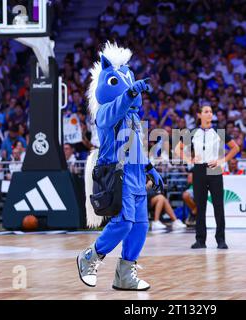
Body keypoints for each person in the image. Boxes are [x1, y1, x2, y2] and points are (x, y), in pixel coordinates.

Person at [77, 43, 163, 291]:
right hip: (117, 174)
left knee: (140, 225)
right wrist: (128, 95)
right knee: (123, 223)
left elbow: (136, 147)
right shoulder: (103, 112)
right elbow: (115, 108)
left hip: (135, 174)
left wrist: (149, 167)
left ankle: (125, 274)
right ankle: (90, 257)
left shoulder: (133, 118)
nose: (130, 88)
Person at [175, 105, 240, 249]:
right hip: (198, 170)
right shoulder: (192, 132)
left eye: (211, 111)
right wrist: (189, 160)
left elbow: (235, 148)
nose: (209, 114)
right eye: (206, 112)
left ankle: (221, 240)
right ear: (199, 115)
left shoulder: (219, 131)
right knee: (201, 206)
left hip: (214, 169)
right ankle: (200, 240)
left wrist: (222, 160)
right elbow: (177, 148)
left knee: (218, 206)